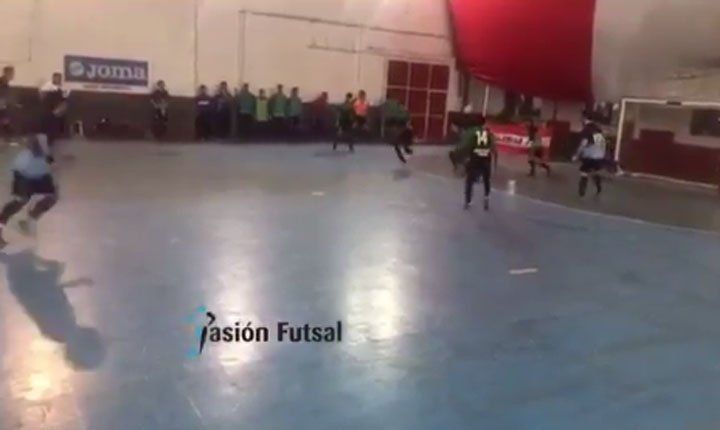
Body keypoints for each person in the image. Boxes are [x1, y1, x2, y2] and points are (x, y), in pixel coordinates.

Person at [0, 134, 57, 248]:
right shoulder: (24, 157)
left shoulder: (42, 149)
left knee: (51, 197)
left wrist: (51, 163)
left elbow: (48, 156)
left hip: (40, 176)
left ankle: (29, 218)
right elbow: (16, 171)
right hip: (24, 178)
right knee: (20, 201)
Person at [460, 117, 497, 211]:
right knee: (486, 180)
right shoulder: (489, 134)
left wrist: (464, 159)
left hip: (475, 158)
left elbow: (467, 146)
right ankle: (486, 197)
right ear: (484, 124)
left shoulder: (472, 133)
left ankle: (468, 201)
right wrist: (495, 163)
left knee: (469, 180)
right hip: (486, 159)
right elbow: (494, 148)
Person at [573, 118, 607, 197]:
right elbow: (603, 146)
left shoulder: (586, 132)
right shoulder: (599, 134)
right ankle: (598, 186)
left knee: (584, 172)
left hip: (589, 156)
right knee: (595, 172)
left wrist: (576, 155)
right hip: (598, 157)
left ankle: (582, 190)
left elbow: (582, 145)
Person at [39, 73, 68, 147]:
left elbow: (64, 98)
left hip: (57, 107)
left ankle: (54, 137)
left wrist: (60, 109)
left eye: (59, 78)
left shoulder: (63, 87)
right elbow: (42, 96)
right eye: (56, 78)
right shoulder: (47, 85)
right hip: (47, 107)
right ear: (53, 78)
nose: (58, 79)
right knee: (48, 120)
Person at [0, 66, 19, 145]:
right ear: (7, 73)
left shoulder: (5, 82)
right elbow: (3, 97)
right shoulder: (2, 82)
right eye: (12, 73)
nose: (13, 75)